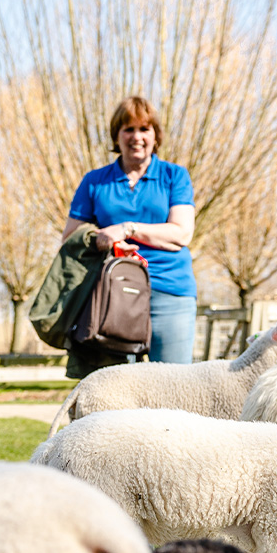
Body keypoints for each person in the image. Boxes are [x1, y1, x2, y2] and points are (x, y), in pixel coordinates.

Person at [61, 96, 197, 364]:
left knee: (174, 382)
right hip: (114, 292)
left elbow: (181, 233)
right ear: (117, 135)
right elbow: (71, 238)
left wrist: (127, 229)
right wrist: (103, 239)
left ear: (155, 135)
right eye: (128, 129)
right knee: (117, 383)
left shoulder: (175, 176)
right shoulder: (95, 182)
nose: (137, 137)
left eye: (144, 129)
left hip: (170, 291)